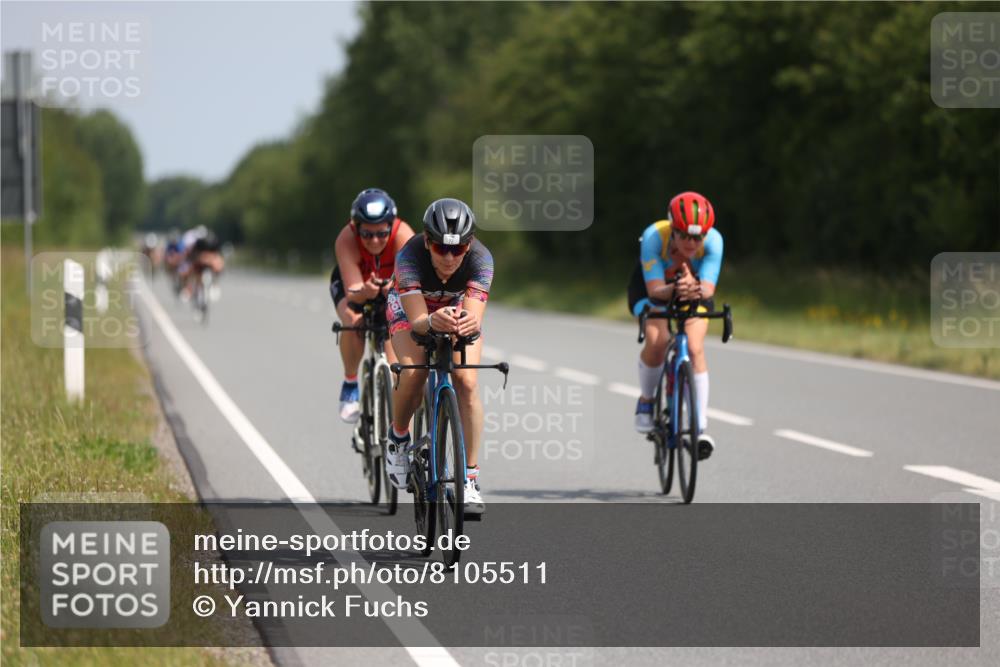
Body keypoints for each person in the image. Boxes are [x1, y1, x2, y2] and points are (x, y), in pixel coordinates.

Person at [383, 198, 494, 515]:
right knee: (414, 372)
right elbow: (418, 323)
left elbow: (473, 317)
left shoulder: (482, 260)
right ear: (427, 241)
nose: (448, 257)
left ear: (469, 245)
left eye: (458, 249)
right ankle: (398, 438)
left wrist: (466, 323)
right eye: (440, 248)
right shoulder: (408, 257)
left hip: (455, 307)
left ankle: (469, 479)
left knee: (467, 382)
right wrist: (432, 322)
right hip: (412, 308)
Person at [627, 191, 723, 460]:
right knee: (657, 342)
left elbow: (708, 288)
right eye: (684, 236)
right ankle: (646, 402)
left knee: (694, 347)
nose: (692, 243)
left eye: (698, 237)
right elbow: (656, 290)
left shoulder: (714, 241)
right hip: (652, 290)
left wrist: (694, 289)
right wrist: (677, 287)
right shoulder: (654, 237)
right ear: (673, 228)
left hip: (693, 294)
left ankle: (698, 426)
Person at [329, 188, 415, 423]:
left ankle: (396, 421)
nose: (375, 240)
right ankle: (350, 384)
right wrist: (366, 291)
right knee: (353, 320)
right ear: (356, 228)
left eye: (381, 233)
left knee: (395, 362)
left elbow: (411, 285)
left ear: (391, 226)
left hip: (392, 289)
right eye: (367, 234)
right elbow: (354, 293)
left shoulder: (403, 235)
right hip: (354, 286)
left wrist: (393, 289)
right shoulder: (345, 239)